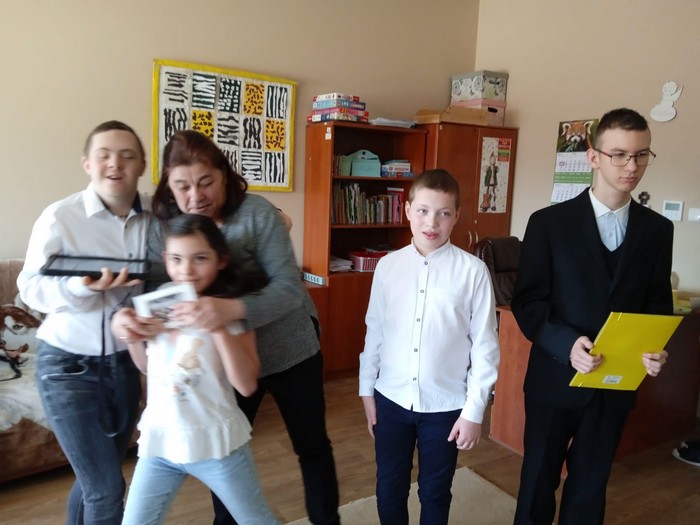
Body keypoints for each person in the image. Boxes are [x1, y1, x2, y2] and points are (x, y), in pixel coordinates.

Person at [113, 130, 340, 525]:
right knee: (225, 452)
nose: (195, 196)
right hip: (221, 362)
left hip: (289, 348)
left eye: (206, 182)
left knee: (312, 446)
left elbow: (288, 288)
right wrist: (129, 318)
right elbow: (151, 290)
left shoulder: (257, 214)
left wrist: (227, 311)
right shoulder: (163, 226)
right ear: (168, 185)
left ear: (225, 175)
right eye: (182, 186)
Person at [511, 108, 672, 525]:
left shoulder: (658, 230)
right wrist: (566, 344)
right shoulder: (548, 224)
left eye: (641, 155)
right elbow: (528, 302)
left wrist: (655, 347)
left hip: (614, 387)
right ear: (594, 157)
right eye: (619, 154)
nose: (631, 166)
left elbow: (657, 303)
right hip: (554, 380)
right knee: (537, 484)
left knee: (590, 487)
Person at [17, 121, 150, 524]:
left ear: (141, 165)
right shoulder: (61, 216)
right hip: (66, 368)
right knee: (106, 488)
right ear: (87, 164)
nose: (115, 164)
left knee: (96, 481)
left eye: (127, 156)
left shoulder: (155, 219)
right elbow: (29, 288)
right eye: (104, 155)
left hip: (124, 366)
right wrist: (81, 287)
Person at [359, 169, 500, 525]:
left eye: (443, 213)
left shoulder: (473, 271)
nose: (431, 222)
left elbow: (485, 347)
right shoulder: (388, 267)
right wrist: (366, 390)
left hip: (445, 406)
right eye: (422, 210)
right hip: (390, 399)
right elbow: (375, 330)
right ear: (407, 210)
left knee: (435, 491)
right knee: (389, 487)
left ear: (457, 216)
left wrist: (474, 412)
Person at [119, 213, 279, 525]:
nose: (187, 270)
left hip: (216, 444)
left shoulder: (230, 308)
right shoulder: (160, 302)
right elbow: (147, 367)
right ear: (166, 258)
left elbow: (246, 385)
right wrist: (132, 337)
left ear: (221, 260)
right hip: (161, 442)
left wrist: (217, 327)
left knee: (256, 521)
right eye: (176, 259)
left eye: (200, 258)